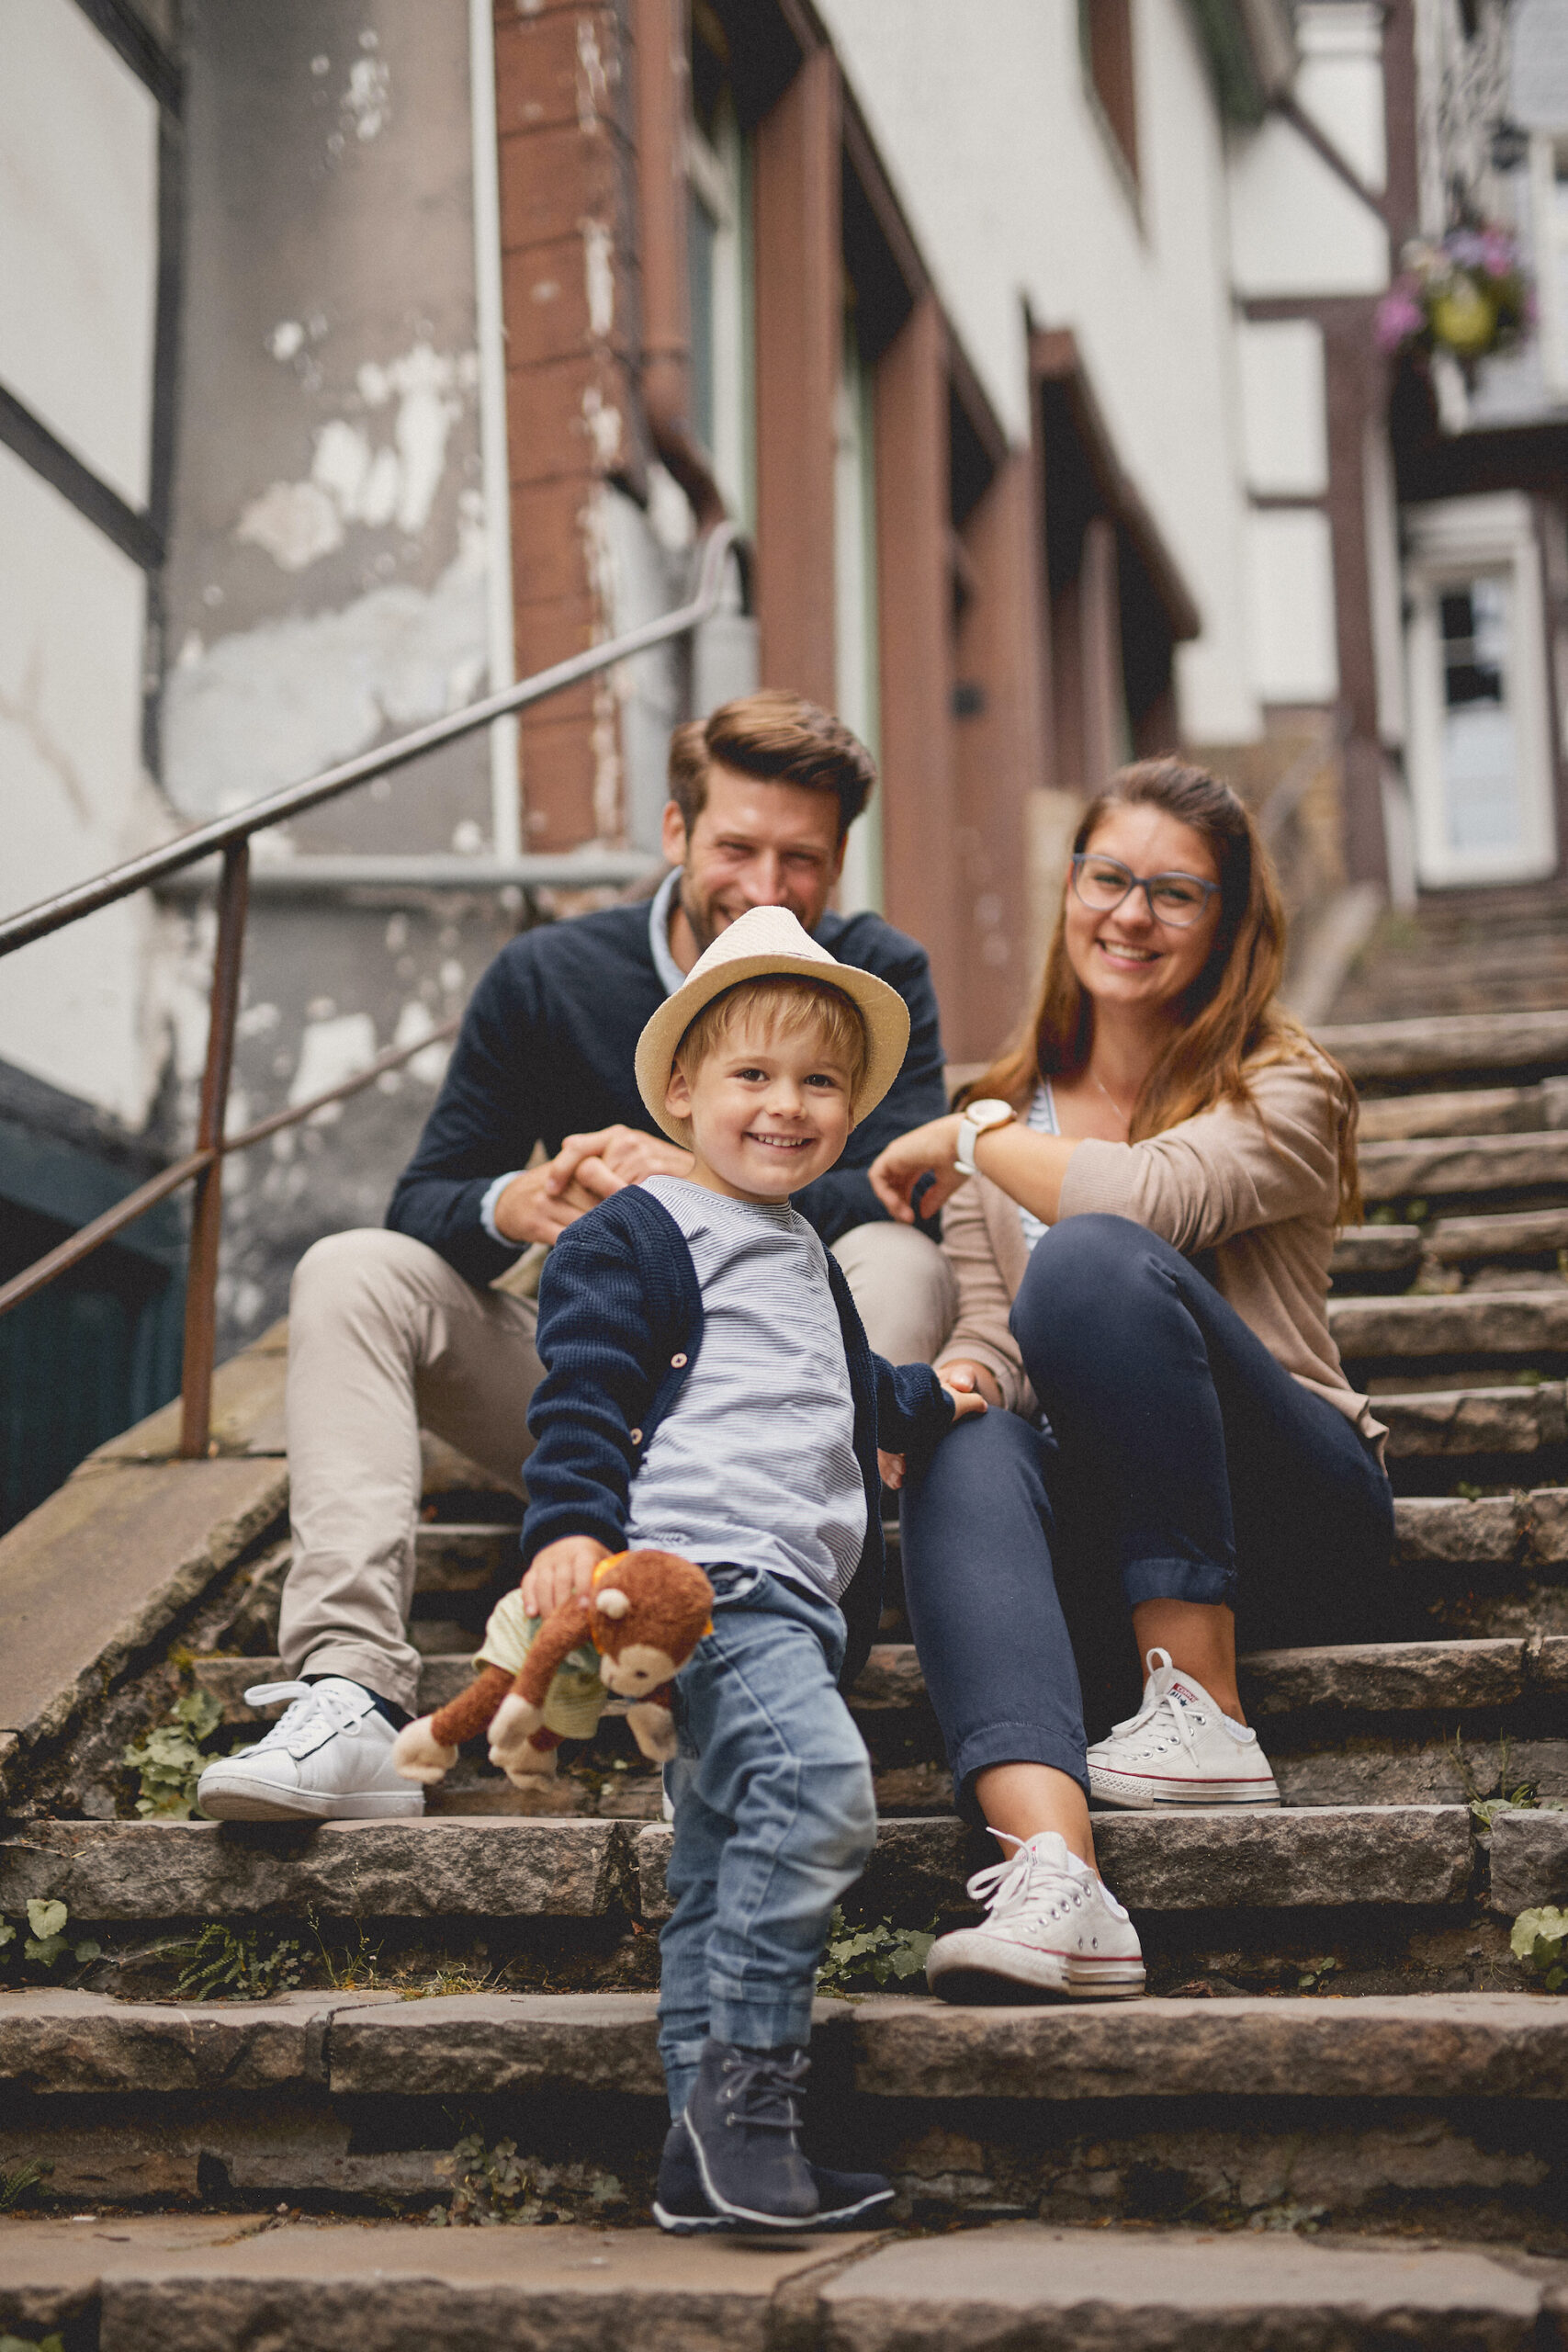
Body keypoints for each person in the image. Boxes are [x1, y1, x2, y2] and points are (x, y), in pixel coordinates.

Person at [197, 691, 953, 1826]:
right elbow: (426, 1198)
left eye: (801, 860)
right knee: (352, 1267)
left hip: (784, 1413)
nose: (766, 884)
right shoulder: (551, 973)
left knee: (894, 1254)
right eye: (737, 847)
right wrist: (526, 1199)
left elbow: (904, 1180)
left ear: (840, 861)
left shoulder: (874, 976)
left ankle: (775, 1625)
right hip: (594, 1398)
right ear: (673, 833)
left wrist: (695, 1173)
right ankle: (348, 1689)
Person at [866, 758, 1393, 2004]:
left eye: (1174, 893)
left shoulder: (1279, 1082)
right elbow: (996, 1333)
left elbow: (1138, 1201)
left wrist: (969, 1138)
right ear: (1071, 885)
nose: (1128, 914)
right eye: (1107, 876)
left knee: (1097, 1261)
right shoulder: (1001, 1105)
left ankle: (1202, 1701)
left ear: (1226, 927)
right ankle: (1054, 1874)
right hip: (1109, 1527)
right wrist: (946, 1380)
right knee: (967, 1438)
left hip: (1289, 1505)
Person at [517, 903, 979, 2229]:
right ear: (678, 1092)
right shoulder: (639, 1231)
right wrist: (566, 1528)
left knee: (719, 1863)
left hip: (795, 1595)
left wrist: (940, 1399)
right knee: (819, 1791)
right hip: (706, 1584)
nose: (787, 1107)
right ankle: (748, 2093)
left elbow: (844, 1398)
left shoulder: (804, 1255)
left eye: (818, 1083)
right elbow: (582, 1389)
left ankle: (693, 2157)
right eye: (752, 1077)